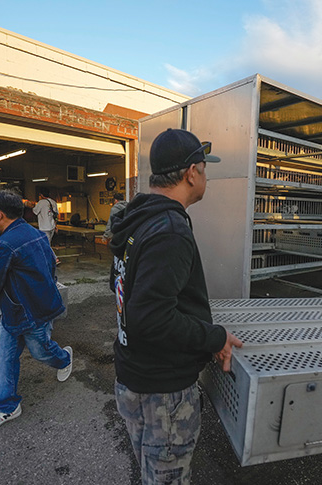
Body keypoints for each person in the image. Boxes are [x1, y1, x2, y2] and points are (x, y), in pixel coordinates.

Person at [108, 128, 243, 484]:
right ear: (191, 173)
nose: (206, 176)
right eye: (204, 168)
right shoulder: (169, 230)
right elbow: (150, 318)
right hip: (161, 393)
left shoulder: (136, 220)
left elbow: (120, 287)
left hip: (134, 375)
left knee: (150, 472)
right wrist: (214, 337)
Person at [0, 190, 72, 433]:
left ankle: (65, 358)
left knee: (41, 351)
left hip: (31, 310)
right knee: (4, 359)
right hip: (18, 308)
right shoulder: (37, 234)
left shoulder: (5, 243)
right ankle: (7, 407)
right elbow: (51, 267)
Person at [31, 187, 60, 264]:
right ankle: (47, 260)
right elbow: (56, 215)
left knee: (45, 244)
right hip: (52, 227)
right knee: (47, 243)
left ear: (41, 195)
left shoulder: (41, 203)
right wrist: (56, 226)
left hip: (44, 227)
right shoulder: (53, 202)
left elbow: (35, 211)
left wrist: (32, 205)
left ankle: (55, 258)